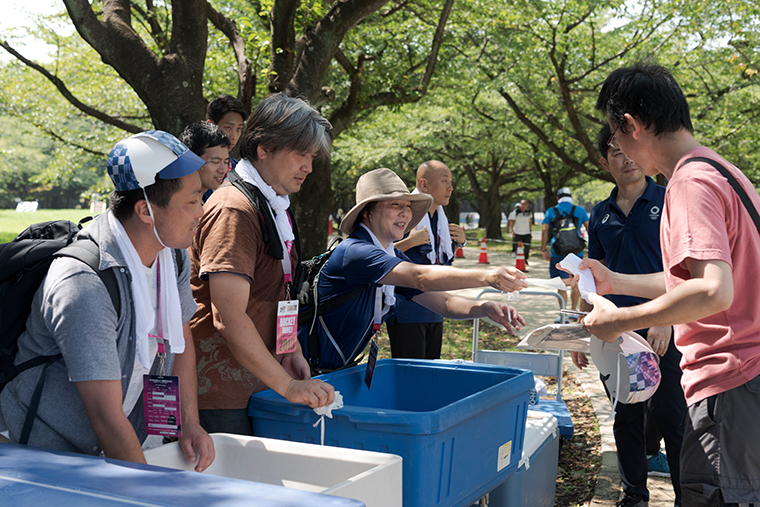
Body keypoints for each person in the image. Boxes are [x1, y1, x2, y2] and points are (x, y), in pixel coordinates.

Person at [582, 62, 760, 507]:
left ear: (631, 125)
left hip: (729, 385)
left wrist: (620, 319)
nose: (619, 150)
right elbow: (706, 275)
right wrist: (616, 279)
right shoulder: (724, 171)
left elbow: (712, 291)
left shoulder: (688, 183)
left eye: (616, 135)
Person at [0, 131, 214, 470]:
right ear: (145, 210)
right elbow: (105, 415)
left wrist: (190, 421)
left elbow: (181, 340)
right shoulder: (83, 282)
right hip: (48, 455)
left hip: (113, 445)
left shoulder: (171, 255)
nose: (201, 211)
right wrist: (145, 491)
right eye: (192, 201)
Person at [190, 93, 335, 436]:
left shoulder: (272, 204)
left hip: (260, 382)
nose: (309, 168)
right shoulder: (235, 209)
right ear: (263, 148)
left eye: (312, 157)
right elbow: (228, 315)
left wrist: (290, 349)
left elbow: (277, 290)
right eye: (301, 154)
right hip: (221, 396)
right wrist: (287, 386)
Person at [298, 168, 528, 372]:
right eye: (394, 205)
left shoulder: (389, 253)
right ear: (367, 212)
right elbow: (421, 277)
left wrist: (484, 308)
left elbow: (444, 304)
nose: (405, 213)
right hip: (303, 370)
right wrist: (487, 276)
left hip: (335, 371)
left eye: (408, 206)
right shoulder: (356, 252)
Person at [570, 125, 686, 507]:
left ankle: (688, 497)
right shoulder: (599, 214)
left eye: (630, 150)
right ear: (605, 162)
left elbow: (682, 268)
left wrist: (665, 318)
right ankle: (634, 495)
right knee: (627, 415)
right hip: (619, 333)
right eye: (616, 153)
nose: (627, 159)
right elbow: (591, 278)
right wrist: (582, 329)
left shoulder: (670, 200)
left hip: (664, 328)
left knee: (673, 418)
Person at [385, 160, 467, 359]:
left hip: (435, 309)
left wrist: (460, 242)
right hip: (407, 311)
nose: (450, 187)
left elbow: (440, 263)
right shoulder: (403, 215)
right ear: (424, 185)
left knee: (430, 372)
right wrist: (410, 242)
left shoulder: (441, 219)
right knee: (410, 377)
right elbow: (380, 254)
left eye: (451, 181)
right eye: (444, 181)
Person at [541, 187, 589, 315]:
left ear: (558, 198)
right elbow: (590, 229)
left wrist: (543, 249)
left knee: (561, 284)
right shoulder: (579, 210)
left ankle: (563, 313)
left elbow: (545, 230)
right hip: (576, 253)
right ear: (571, 197)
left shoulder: (551, 211)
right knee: (576, 281)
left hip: (557, 252)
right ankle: (574, 311)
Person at [179, 122, 231, 202]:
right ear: (192, 160)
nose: (223, 170)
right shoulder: (176, 206)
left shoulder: (205, 201)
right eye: (215, 161)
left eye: (225, 162)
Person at [206, 94, 246, 170]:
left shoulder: (238, 171)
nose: (234, 137)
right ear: (210, 126)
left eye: (238, 129)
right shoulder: (190, 165)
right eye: (228, 128)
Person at [507, 199, 534, 263]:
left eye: (524, 204)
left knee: (527, 246)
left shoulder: (529, 212)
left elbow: (530, 221)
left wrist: (530, 231)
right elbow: (511, 221)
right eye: (522, 204)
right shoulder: (516, 212)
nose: (523, 206)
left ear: (527, 205)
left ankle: (525, 258)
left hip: (526, 233)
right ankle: (518, 259)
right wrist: (512, 231)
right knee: (517, 247)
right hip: (517, 233)